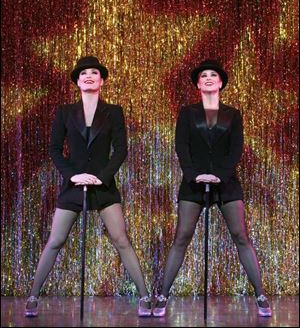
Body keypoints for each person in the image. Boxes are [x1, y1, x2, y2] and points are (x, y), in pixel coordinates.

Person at [25, 56, 151, 317]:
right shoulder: (64, 112)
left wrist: (101, 177)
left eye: (94, 73)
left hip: (102, 185)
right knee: (56, 240)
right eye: (84, 74)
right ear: (78, 82)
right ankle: (33, 296)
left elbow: (121, 150)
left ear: (102, 80)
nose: (89, 76)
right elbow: (55, 150)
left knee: (120, 239)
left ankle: (145, 297)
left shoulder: (113, 111)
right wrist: (73, 176)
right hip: (73, 184)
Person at [152, 59, 272, 317]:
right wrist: (195, 175)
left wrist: (221, 175)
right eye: (203, 75)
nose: (208, 78)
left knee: (241, 236)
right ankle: (162, 294)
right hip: (193, 183)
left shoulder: (233, 114)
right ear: (197, 83)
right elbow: (181, 147)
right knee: (182, 236)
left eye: (213, 75)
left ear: (220, 83)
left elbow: (235, 149)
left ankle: (261, 294)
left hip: (226, 182)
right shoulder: (187, 113)